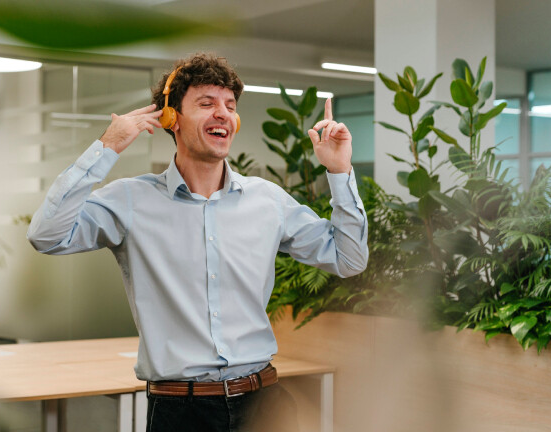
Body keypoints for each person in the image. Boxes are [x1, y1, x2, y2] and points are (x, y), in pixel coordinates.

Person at [27, 53, 368, 432]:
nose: (222, 113)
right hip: (180, 414)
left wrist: (340, 172)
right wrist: (107, 147)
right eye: (206, 104)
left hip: (265, 403)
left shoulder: (269, 201)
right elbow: (46, 236)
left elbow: (348, 258)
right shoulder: (130, 200)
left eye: (229, 106)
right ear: (171, 119)